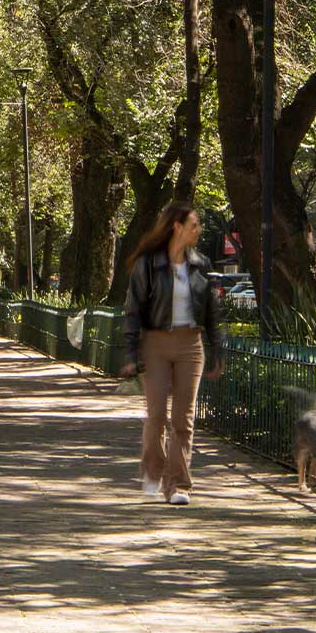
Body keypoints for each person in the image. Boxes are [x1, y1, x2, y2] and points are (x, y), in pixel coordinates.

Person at [120, 201, 221, 506]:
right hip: (156, 344)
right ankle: (152, 473)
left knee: (183, 418)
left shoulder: (200, 264)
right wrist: (130, 353)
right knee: (156, 415)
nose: (198, 230)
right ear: (176, 226)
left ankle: (179, 485)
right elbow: (133, 309)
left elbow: (213, 312)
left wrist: (217, 350)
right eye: (193, 224)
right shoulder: (149, 264)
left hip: (191, 344)